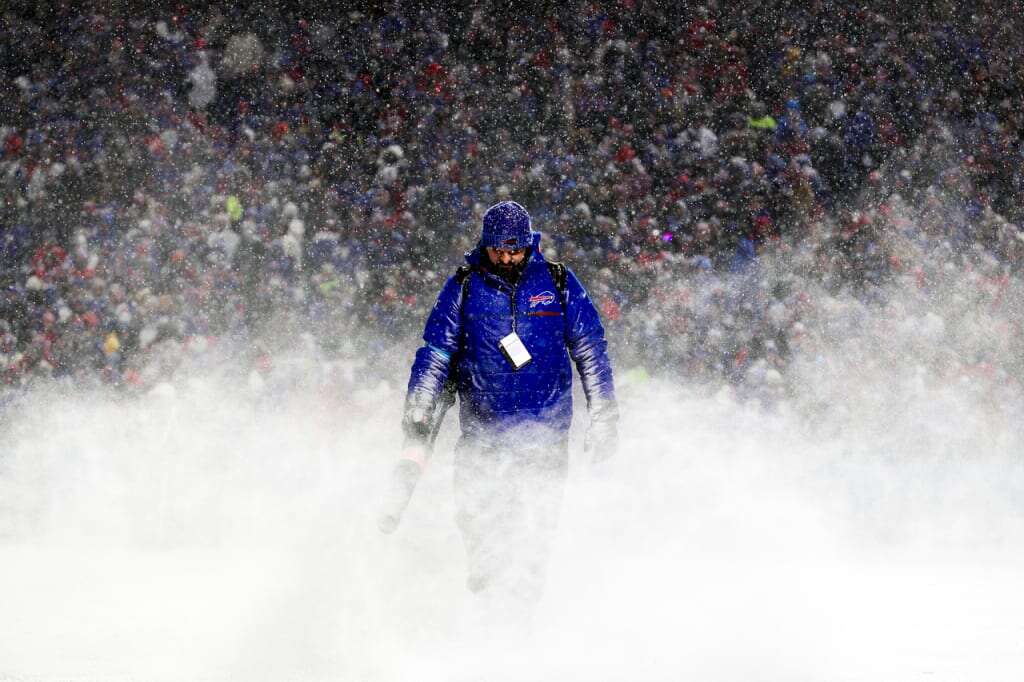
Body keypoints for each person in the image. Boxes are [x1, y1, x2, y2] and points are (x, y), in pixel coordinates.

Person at [403, 200, 618, 606]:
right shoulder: (464, 286)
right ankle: (485, 584)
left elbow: (591, 350)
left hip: (546, 431)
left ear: (529, 244)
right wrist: (418, 408)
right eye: (497, 249)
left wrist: (604, 417)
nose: (505, 257)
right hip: (483, 431)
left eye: (514, 249)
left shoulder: (557, 282)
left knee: (536, 523)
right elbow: (435, 353)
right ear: (484, 244)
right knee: (474, 510)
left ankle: (525, 603)